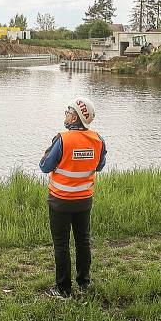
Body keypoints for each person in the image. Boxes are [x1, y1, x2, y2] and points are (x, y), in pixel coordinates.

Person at [39, 96, 107, 298]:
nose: (66, 115)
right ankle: (84, 283)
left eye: (68, 112)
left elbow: (45, 167)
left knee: (61, 244)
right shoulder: (98, 140)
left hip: (60, 200)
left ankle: (63, 289)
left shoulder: (63, 139)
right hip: (84, 200)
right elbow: (99, 166)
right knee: (83, 241)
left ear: (76, 117)